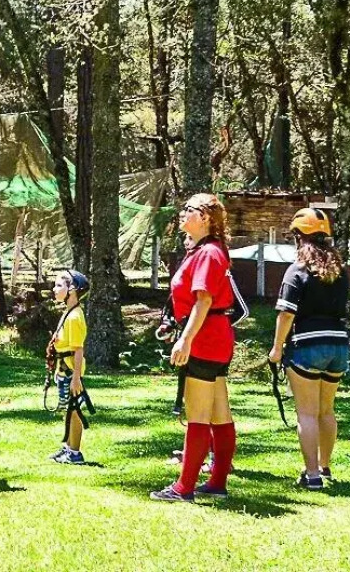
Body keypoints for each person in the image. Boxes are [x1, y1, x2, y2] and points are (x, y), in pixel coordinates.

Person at [152, 192, 239, 502]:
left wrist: (185, 339)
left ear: (205, 217)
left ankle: (184, 487)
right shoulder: (208, 250)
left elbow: (204, 300)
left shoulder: (208, 253)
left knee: (198, 414)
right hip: (216, 336)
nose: (182, 213)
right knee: (219, 412)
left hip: (205, 337)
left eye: (188, 209)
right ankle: (216, 483)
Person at [268, 209, 350, 490]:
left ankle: (312, 474)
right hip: (338, 344)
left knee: (306, 412)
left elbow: (286, 314)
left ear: (297, 237)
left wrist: (277, 348)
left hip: (307, 344)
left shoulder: (296, 271)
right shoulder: (339, 269)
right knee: (326, 411)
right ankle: (325, 467)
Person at [49, 269, 91, 465]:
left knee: (74, 410)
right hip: (63, 368)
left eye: (59, 285)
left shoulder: (74, 317)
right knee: (68, 409)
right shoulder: (69, 312)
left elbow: (78, 349)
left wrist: (75, 378)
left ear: (72, 290)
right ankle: (67, 447)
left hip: (70, 370)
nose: (54, 289)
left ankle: (75, 452)